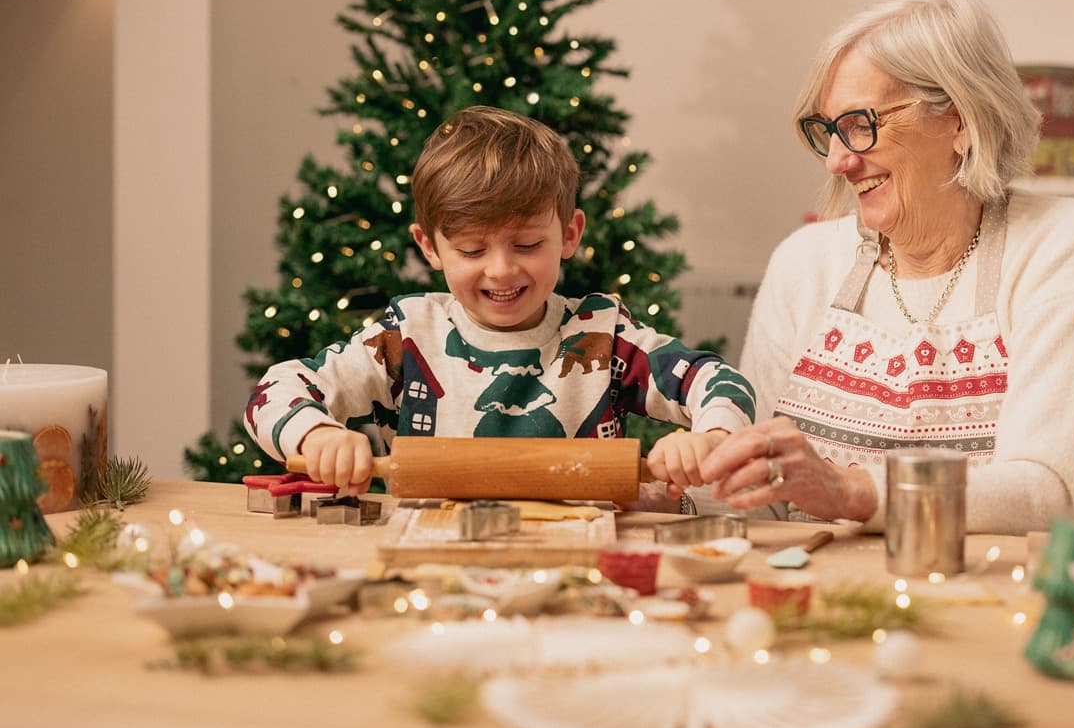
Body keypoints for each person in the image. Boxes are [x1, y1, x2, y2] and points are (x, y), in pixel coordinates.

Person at [696, 0, 1074, 533]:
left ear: (961, 120)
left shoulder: (1063, 243)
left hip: (992, 582)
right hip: (812, 578)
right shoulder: (803, 263)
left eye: (860, 125)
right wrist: (674, 488)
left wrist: (849, 491)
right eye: (829, 131)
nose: (836, 161)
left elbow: (1043, 490)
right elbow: (759, 495)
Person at [243, 106, 755, 496]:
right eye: (471, 250)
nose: (502, 269)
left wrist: (709, 437)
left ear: (569, 234)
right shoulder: (407, 337)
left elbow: (720, 382)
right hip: (434, 566)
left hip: (576, 566)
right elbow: (274, 390)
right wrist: (317, 437)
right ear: (430, 247)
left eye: (527, 244)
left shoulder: (603, 337)